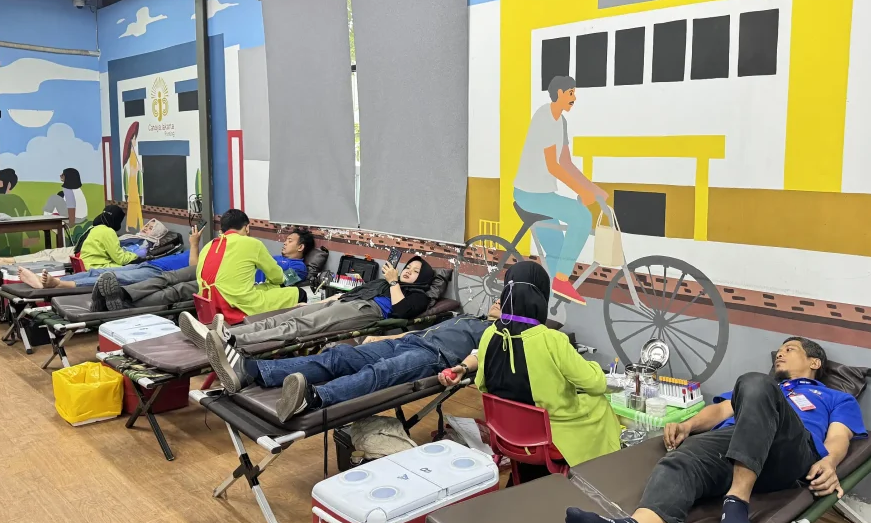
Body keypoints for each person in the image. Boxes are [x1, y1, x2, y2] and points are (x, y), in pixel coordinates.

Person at [564, 337, 867, 523]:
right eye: (779, 350)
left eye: (790, 349)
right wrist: (688, 425)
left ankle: (737, 500)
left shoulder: (834, 398)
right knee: (683, 457)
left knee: (756, 383)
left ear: (814, 363)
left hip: (789, 449)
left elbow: (839, 437)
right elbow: (721, 411)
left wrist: (830, 463)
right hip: (736, 443)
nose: (779, 354)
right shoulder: (756, 389)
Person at [451, 260, 621, 475]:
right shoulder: (552, 339)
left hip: (506, 434)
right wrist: (594, 368)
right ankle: (602, 469)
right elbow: (595, 384)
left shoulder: (489, 334)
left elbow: (481, 384)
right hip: (550, 438)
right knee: (599, 403)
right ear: (541, 295)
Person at [204, 302, 498, 423]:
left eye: (503, 301)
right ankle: (251, 370)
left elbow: (480, 355)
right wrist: (384, 338)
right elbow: (418, 331)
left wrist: (461, 369)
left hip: (434, 357)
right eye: (496, 299)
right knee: (340, 355)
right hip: (406, 342)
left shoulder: (498, 332)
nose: (497, 302)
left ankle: (313, 399)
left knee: (381, 372)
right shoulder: (466, 317)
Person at [180, 253, 435, 350]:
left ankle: (232, 341)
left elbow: (401, 312)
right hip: (345, 302)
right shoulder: (384, 282)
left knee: (301, 326)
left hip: (368, 311)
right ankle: (218, 333)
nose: (408, 271)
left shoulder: (418, 296)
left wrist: (394, 282)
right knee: (284, 317)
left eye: (415, 271)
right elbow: (349, 293)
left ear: (422, 278)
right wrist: (319, 303)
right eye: (408, 267)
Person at [513, 76, 608, 306]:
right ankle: (562, 281)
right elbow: (552, 165)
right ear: (559, 93)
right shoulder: (544, 117)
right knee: (581, 216)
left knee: (556, 249)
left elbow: (565, 162)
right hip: (529, 194)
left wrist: (591, 188)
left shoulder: (561, 122)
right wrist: (582, 191)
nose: (574, 97)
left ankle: (553, 300)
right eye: (570, 93)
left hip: (544, 195)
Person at [88, 226, 315, 313]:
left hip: (231, 287)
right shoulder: (271, 255)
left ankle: (121, 304)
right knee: (169, 278)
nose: (285, 243)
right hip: (216, 273)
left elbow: (282, 281)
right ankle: (122, 294)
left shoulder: (297, 267)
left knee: (177, 289)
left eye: (290, 241)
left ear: (301, 247)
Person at [191, 209, 303, 319]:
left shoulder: (208, 245)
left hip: (208, 306)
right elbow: (277, 277)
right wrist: (276, 283)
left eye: (290, 241)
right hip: (236, 305)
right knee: (299, 293)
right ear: (247, 227)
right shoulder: (253, 244)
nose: (285, 243)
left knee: (266, 288)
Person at [16, 206, 152, 289]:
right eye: (148, 226)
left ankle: (43, 280)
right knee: (124, 271)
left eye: (151, 228)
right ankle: (51, 282)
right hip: (97, 266)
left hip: (85, 263)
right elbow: (120, 259)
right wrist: (137, 254)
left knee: (86, 275)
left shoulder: (94, 228)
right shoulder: (108, 232)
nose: (147, 229)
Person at [122, 123, 142, 233]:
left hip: (134, 183)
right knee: (132, 203)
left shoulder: (134, 153)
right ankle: (130, 225)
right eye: (134, 138)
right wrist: (137, 169)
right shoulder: (131, 154)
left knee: (135, 203)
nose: (135, 140)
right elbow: (132, 170)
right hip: (132, 182)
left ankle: (134, 224)